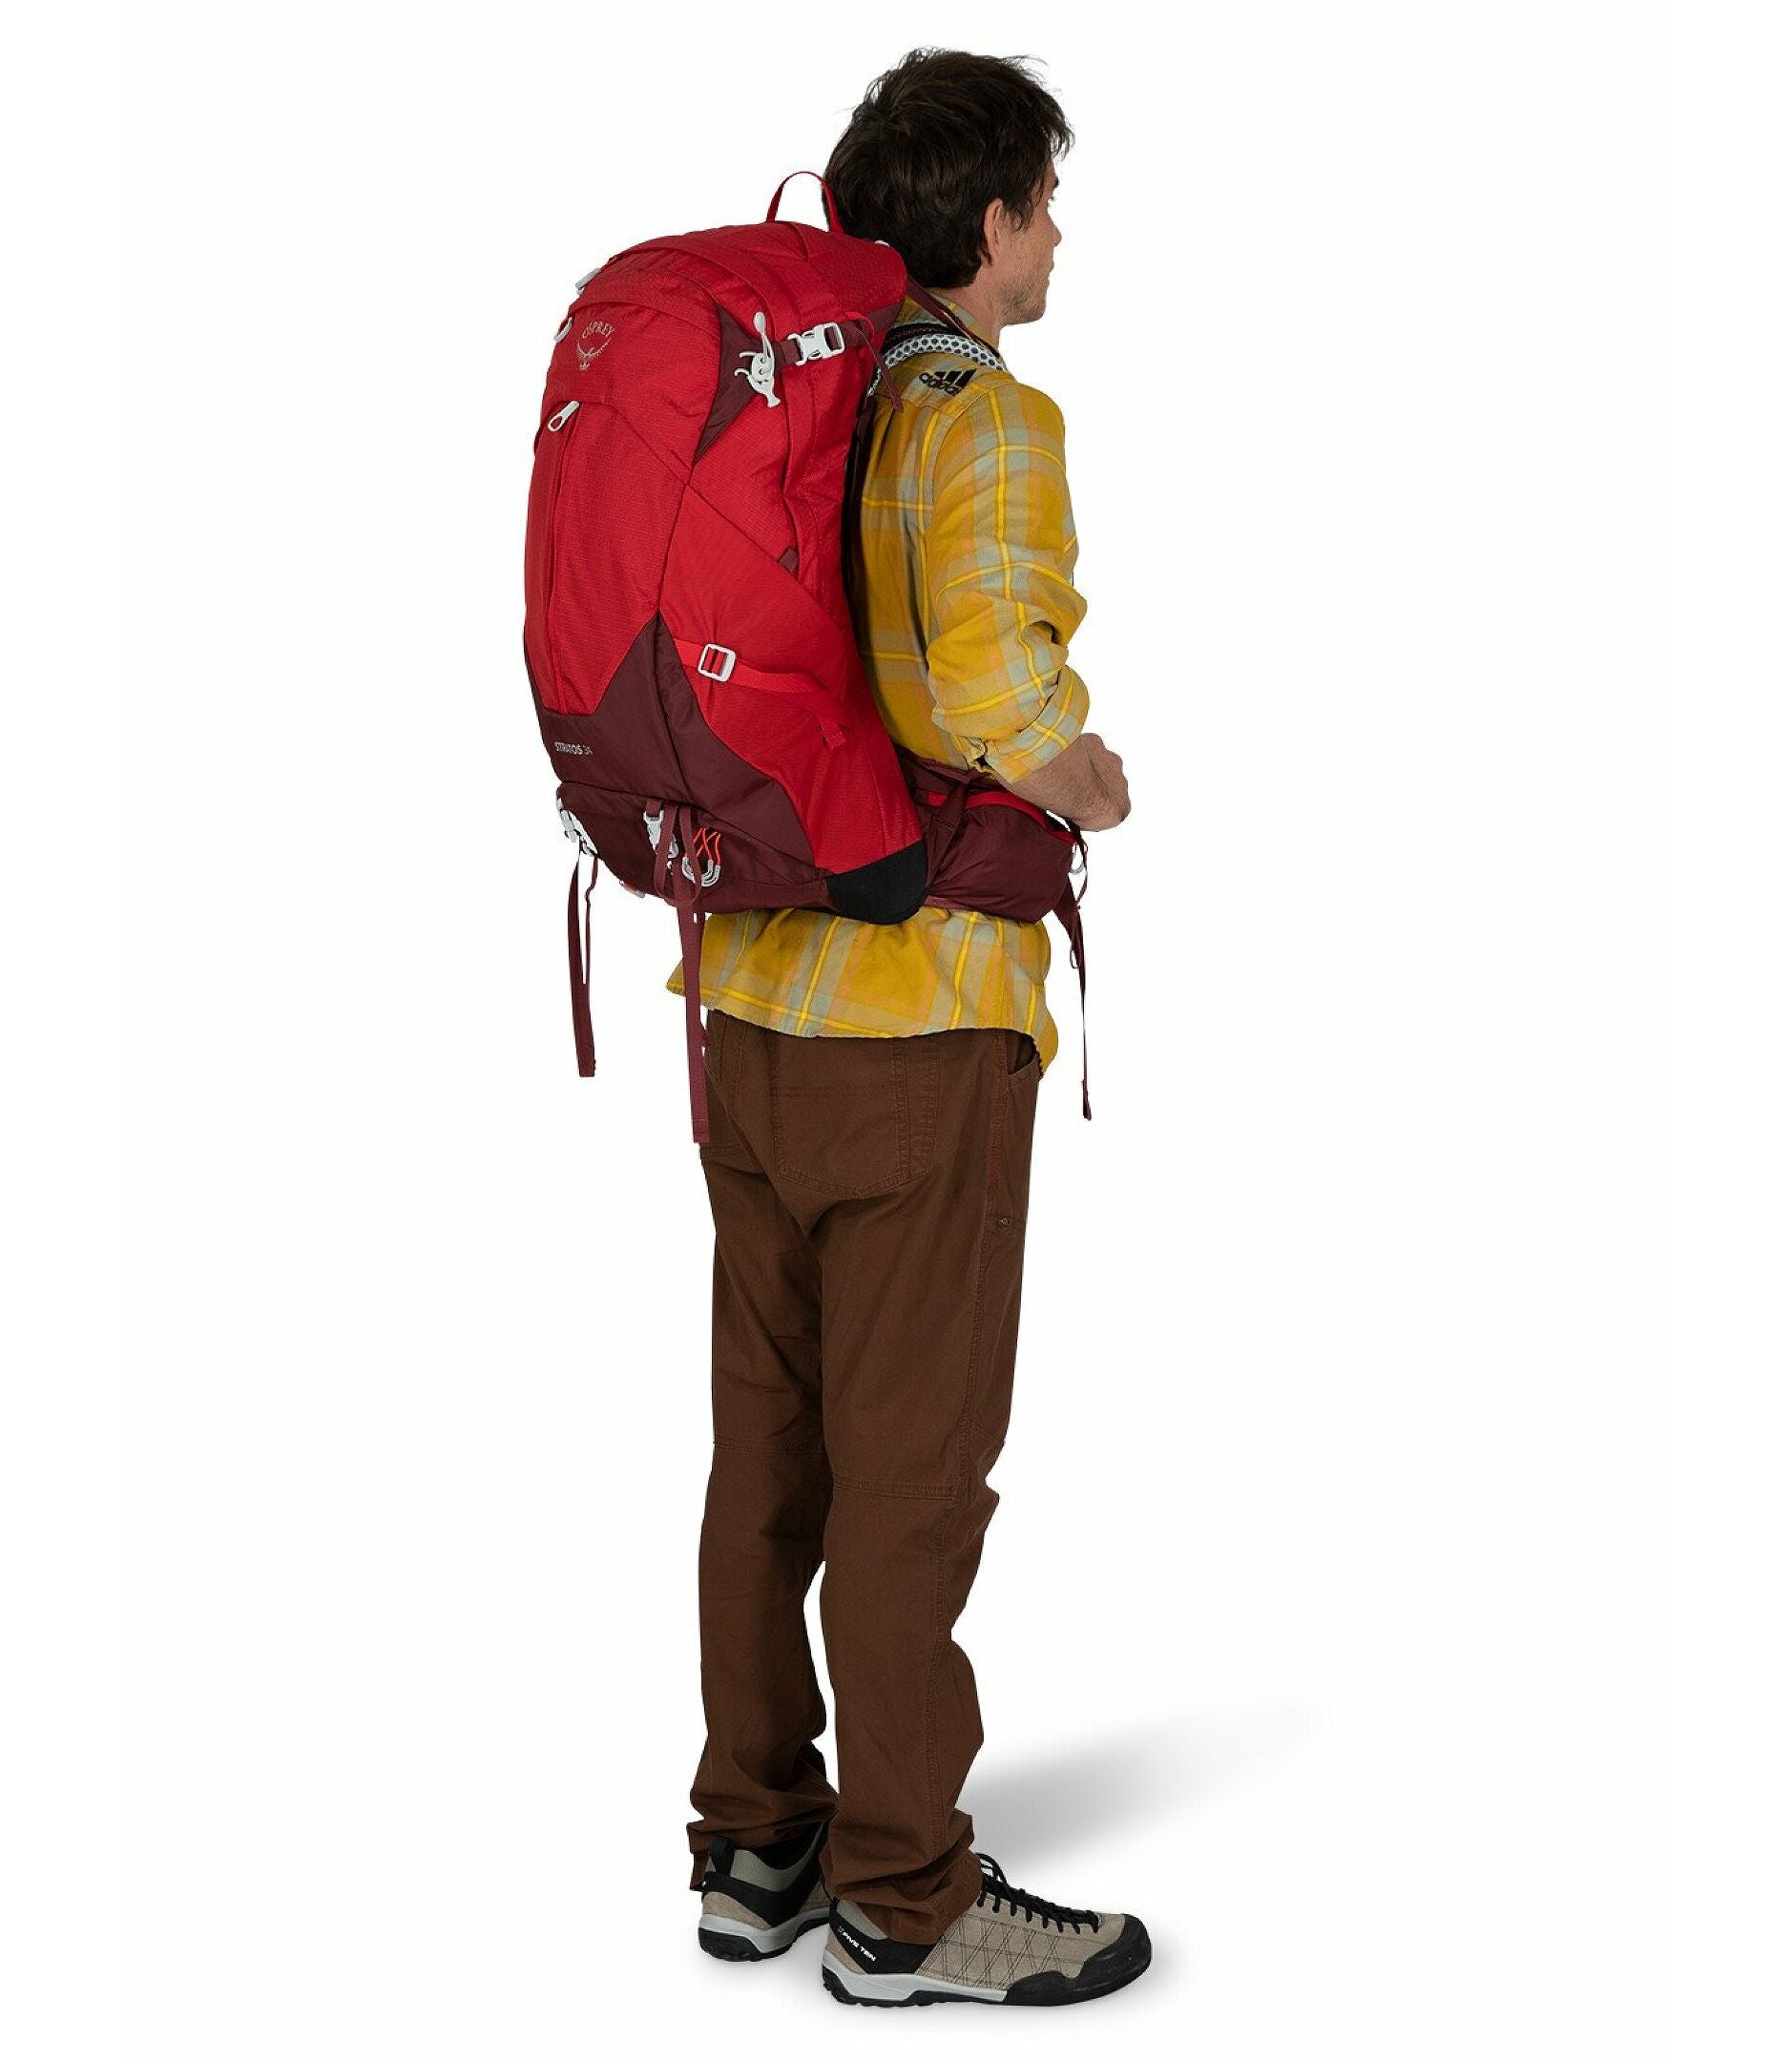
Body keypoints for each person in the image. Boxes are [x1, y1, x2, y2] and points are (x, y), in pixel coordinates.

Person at [673, 49, 1148, 2008]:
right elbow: (988, 693)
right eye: (1043, 205)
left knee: (769, 1446)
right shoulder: (981, 420)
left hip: (747, 1003)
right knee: (911, 1466)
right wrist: (1087, 774)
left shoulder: (792, 402)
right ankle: (904, 1898)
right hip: (918, 1020)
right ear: (986, 223)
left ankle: (755, 1841)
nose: (1057, 239)